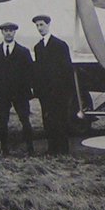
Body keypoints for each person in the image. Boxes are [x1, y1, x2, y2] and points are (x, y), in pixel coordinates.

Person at [31, 14, 75, 155]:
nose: (40, 28)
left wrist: (66, 91)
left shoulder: (60, 45)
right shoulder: (38, 47)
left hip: (59, 91)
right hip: (45, 93)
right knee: (48, 119)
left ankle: (63, 149)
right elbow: (38, 70)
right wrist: (38, 90)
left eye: (42, 25)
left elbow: (67, 69)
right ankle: (52, 148)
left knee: (60, 119)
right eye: (37, 25)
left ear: (48, 25)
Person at [0, 22, 34, 155]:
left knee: (25, 120)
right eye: (6, 30)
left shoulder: (23, 51)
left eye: (11, 31)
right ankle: (4, 149)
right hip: (2, 93)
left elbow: (29, 71)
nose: (8, 33)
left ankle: (30, 148)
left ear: (15, 33)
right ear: (2, 32)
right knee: (3, 121)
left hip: (20, 93)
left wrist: (23, 87)